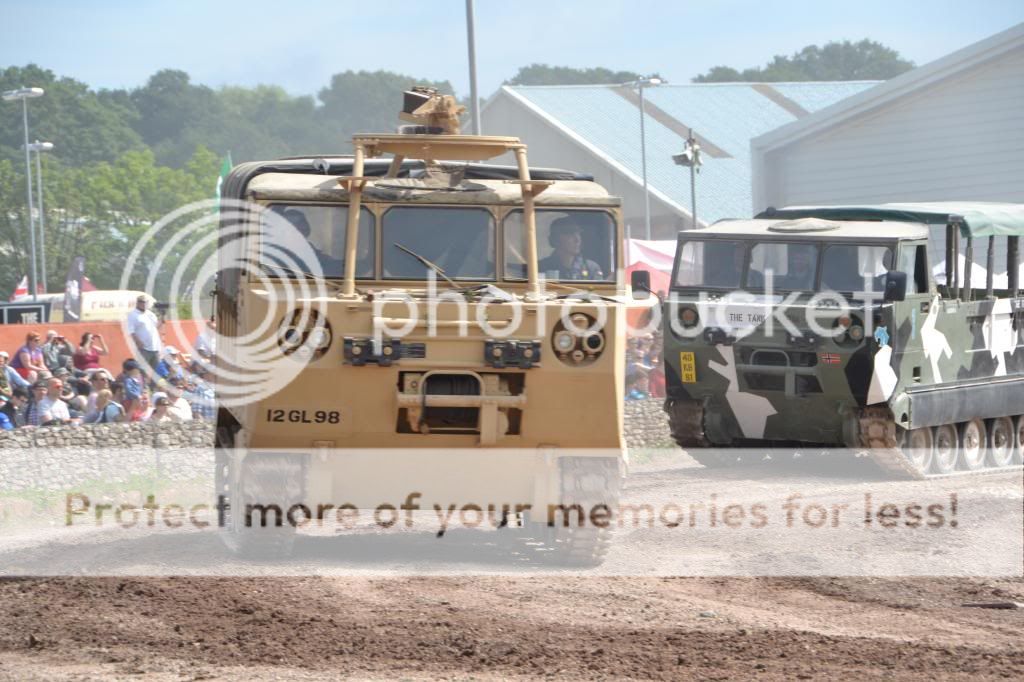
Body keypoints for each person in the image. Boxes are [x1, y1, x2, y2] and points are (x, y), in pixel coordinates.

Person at [538, 216, 604, 281]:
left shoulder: (591, 268)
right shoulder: (541, 267)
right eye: (570, 233)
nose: (577, 240)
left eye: (578, 233)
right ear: (555, 239)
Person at [127, 295, 162, 374]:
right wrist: (137, 341)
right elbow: (130, 330)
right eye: (141, 302)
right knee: (142, 370)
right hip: (144, 347)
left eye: (145, 302)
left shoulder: (151, 314)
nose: (143, 304)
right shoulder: (133, 314)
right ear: (138, 303)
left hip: (155, 347)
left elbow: (156, 327)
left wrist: (162, 317)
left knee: (157, 371)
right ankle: (142, 385)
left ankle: (153, 386)